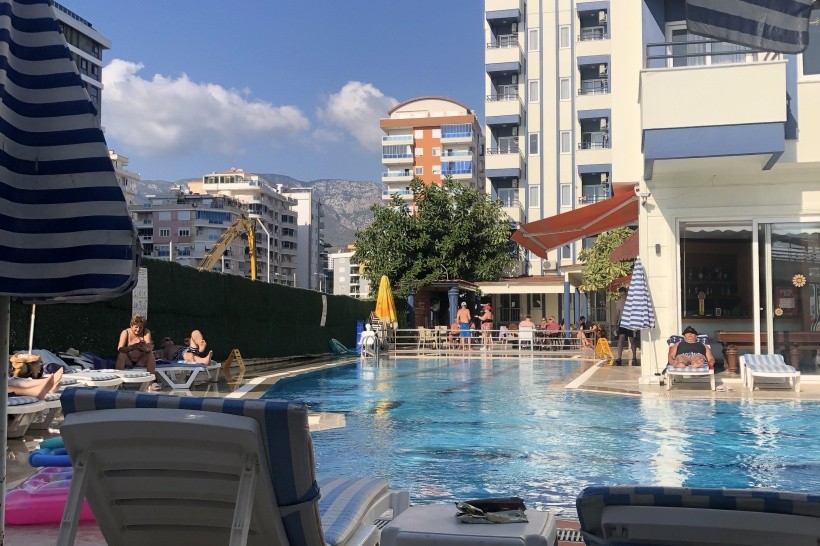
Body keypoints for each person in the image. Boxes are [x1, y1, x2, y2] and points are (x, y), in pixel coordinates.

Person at [614, 287, 637, 366]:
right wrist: (615, 325)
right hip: (622, 322)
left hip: (630, 322)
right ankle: (619, 358)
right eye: (621, 295)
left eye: (624, 295)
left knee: (632, 340)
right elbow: (617, 314)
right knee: (621, 339)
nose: (623, 296)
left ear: (626, 293)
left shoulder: (631, 301)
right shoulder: (619, 302)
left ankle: (634, 358)